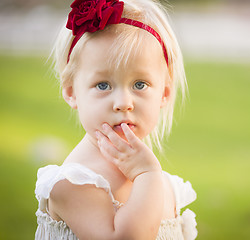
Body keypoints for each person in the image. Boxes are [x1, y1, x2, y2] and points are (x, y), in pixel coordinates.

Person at [34, 0, 197, 239]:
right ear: (71, 92)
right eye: (103, 85)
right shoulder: (75, 182)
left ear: (164, 93)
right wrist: (146, 174)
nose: (123, 102)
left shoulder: (162, 182)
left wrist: (148, 174)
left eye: (139, 84)